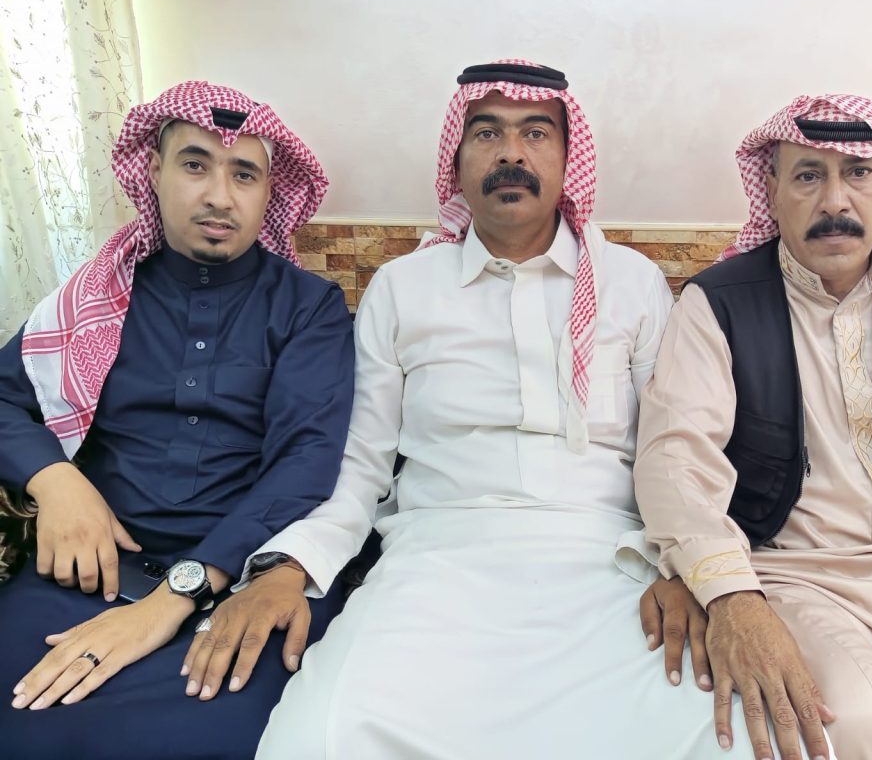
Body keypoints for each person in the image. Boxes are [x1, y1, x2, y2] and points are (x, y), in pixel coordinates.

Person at [182, 61, 810, 759]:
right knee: (318, 737)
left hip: (610, 560)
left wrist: (683, 571)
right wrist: (288, 568)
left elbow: (671, 457)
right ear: (456, 159)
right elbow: (360, 470)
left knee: (731, 740)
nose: (512, 153)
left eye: (536, 133)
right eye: (487, 133)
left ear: (568, 158)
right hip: (435, 563)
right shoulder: (403, 288)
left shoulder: (632, 283)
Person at [634, 93, 872, 760]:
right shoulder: (717, 304)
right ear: (772, 190)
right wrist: (732, 596)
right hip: (798, 583)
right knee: (848, 726)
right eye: (809, 175)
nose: (835, 201)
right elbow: (676, 465)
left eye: (859, 172)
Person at [0, 80, 355, 760]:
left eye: (244, 174)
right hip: (83, 573)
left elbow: (307, 463)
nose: (220, 196)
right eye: (195, 165)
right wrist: (55, 481)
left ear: (268, 193)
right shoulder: (98, 294)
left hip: (243, 583)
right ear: (155, 172)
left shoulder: (308, 307)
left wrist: (170, 602)